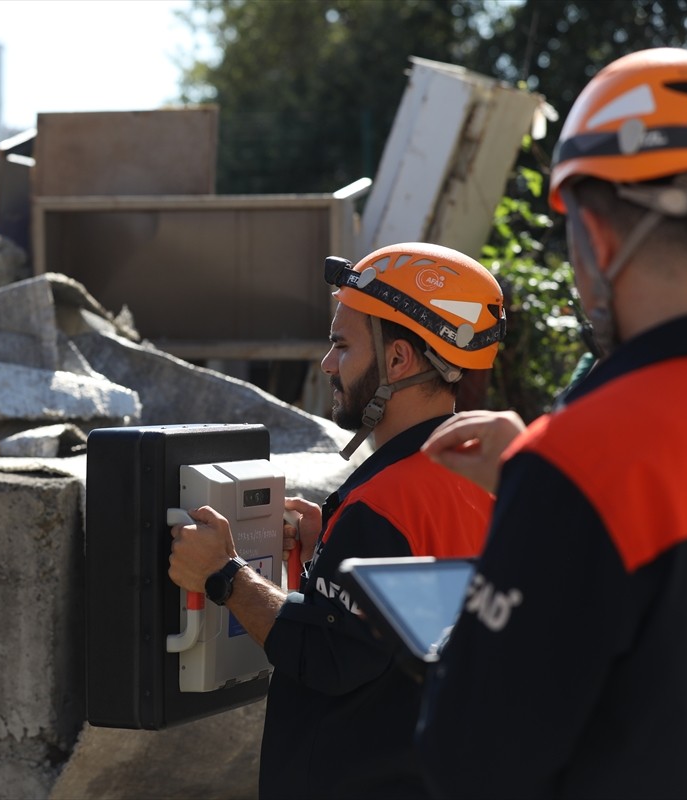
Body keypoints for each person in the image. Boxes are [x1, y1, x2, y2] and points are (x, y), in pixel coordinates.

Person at [416, 47, 687, 799]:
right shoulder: (582, 466)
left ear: (599, 239)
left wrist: (552, 493)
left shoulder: (586, 462)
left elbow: (470, 764)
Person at [168, 241, 507, 798]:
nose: (328, 364)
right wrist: (332, 548)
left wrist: (225, 575)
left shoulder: (382, 504)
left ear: (397, 360)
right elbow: (408, 621)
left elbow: (327, 655)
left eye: (341, 345)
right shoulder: (483, 475)